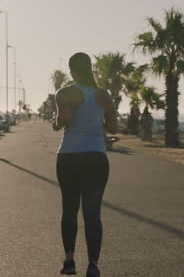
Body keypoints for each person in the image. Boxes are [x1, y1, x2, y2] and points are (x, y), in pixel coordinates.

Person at [52, 52, 117, 277]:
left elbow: (63, 121)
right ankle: (93, 265)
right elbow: (114, 127)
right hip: (96, 157)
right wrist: (98, 128)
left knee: (69, 209)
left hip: (69, 156)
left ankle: (69, 262)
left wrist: (56, 120)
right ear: (90, 68)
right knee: (93, 214)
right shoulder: (103, 95)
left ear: (72, 71)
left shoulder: (65, 92)